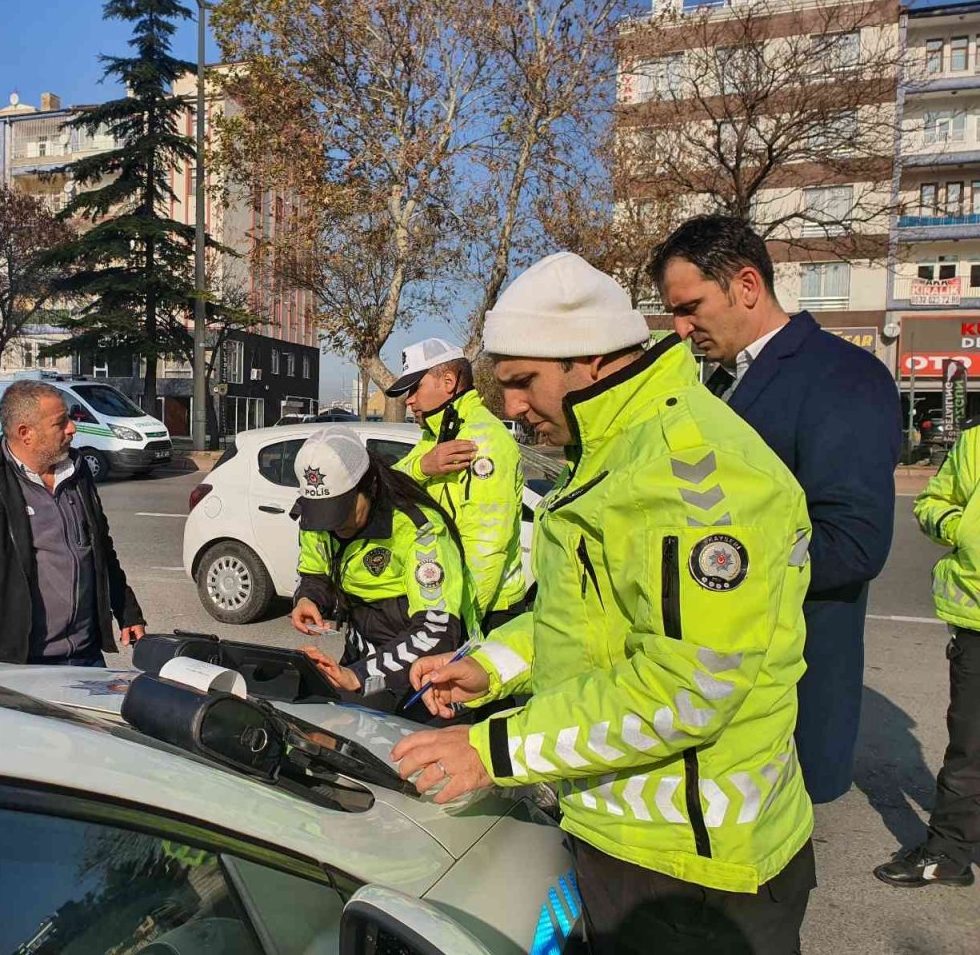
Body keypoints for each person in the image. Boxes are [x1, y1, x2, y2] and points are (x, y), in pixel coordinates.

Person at [391, 252, 816, 954]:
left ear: (588, 361)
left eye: (524, 382)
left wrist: (493, 749)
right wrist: (490, 667)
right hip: (632, 846)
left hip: (697, 876)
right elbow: (587, 618)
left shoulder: (694, 477)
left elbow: (688, 689)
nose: (512, 407)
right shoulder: (612, 449)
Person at [648, 215, 901, 805]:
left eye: (690, 308)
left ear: (746, 286)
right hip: (708, 684)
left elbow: (854, 542)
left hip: (787, 685)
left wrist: (708, 566)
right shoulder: (711, 386)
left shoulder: (843, 376)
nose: (682, 330)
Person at [0, 379, 146, 665]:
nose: (72, 428)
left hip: (86, 656)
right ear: (26, 433)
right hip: (21, 664)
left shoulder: (77, 472)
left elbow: (101, 550)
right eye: (60, 423)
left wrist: (126, 608)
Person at [288, 426, 476, 719]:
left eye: (341, 511)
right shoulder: (316, 519)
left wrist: (361, 676)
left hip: (423, 672)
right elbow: (315, 571)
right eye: (323, 513)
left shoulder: (420, 531)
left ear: (371, 487)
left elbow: (436, 631)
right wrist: (308, 599)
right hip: (360, 655)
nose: (335, 525)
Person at [873, 420, 980, 888]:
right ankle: (949, 855)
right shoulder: (977, 441)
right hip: (978, 623)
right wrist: (967, 529)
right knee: (971, 750)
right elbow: (932, 502)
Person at [386, 338, 526, 630]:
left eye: (415, 388)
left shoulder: (482, 440)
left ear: (448, 381)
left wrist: (457, 623)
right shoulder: (437, 435)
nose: (408, 400)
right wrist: (423, 466)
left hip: (485, 609)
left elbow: (486, 545)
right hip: (444, 598)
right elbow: (390, 485)